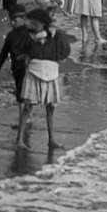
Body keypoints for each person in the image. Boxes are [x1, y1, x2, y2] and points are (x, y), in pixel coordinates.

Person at [17, 8, 73, 151]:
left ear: (39, 22)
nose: (29, 24)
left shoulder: (54, 35)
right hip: (46, 71)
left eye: (32, 21)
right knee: (31, 107)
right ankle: (22, 140)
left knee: (47, 107)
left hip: (44, 70)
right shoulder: (50, 35)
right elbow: (65, 51)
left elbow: (65, 50)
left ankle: (49, 140)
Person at [0, 6, 35, 104]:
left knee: (26, 94)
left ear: (24, 19)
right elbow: (4, 52)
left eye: (15, 21)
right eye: (11, 20)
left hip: (29, 68)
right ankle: (24, 115)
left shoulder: (31, 33)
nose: (12, 23)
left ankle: (25, 115)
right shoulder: (11, 35)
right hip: (17, 68)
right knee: (21, 93)